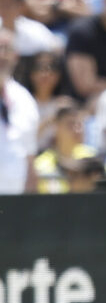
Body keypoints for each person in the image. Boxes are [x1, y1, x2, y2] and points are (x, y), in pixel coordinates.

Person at [0, 28, 39, 194]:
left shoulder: (25, 100)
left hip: (14, 203)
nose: (1, 56)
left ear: (15, 56)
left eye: (6, 49)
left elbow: (29, 157)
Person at [34, 104, 97, 193]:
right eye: (70, 124)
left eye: (79, 124)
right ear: (56, 128)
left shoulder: (91, 156)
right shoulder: (42, 164)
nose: (77, 130)